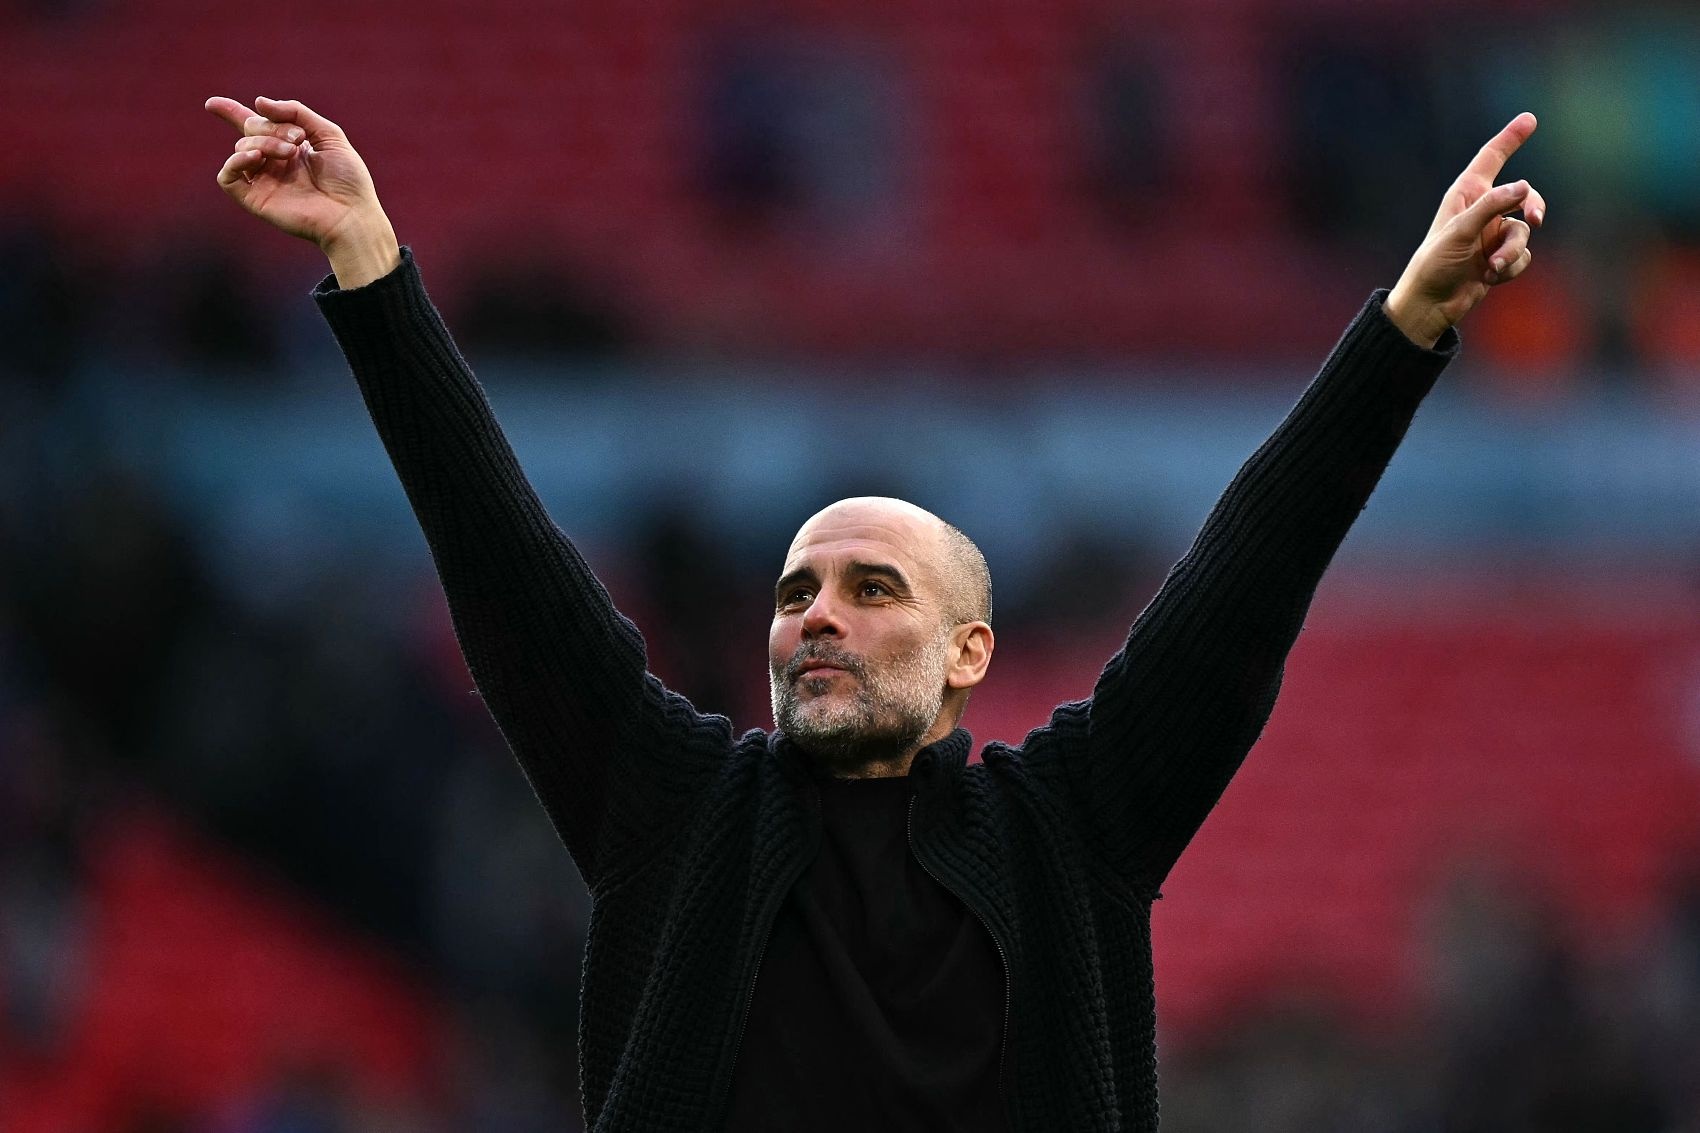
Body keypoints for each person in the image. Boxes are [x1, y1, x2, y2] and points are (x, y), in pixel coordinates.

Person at [205, 93, 1545, 1132]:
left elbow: (1242, 587)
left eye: (870, 586)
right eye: (796, 591)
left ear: (971, 652)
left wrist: (1407, 325)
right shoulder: (675, 812)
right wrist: (369, 266)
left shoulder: (1071, 828)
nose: (817, 615)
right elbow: (507, 574)